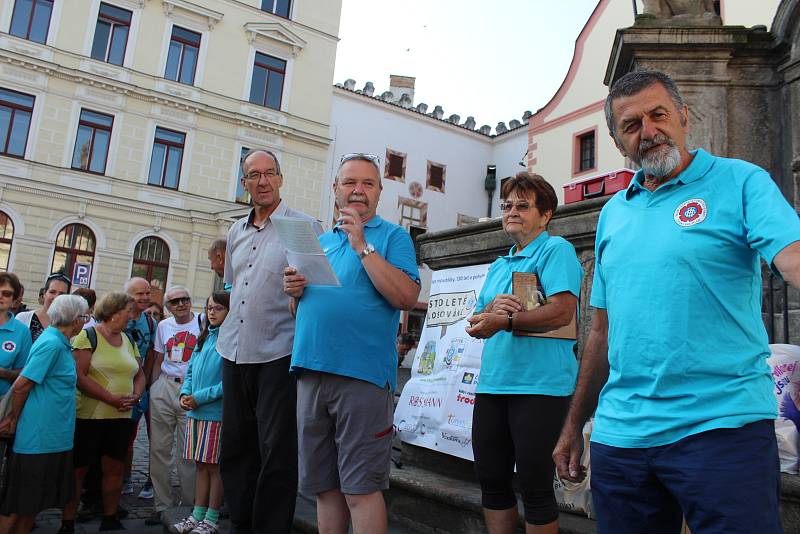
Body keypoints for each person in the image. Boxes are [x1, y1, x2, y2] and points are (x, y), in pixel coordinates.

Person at [552, 70, 800, 534]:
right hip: (621, 437)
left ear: (684, 116)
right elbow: (601, 332)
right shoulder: (613, 214)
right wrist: (574, 426)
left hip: (723, 428)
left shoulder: (741, 181)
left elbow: (792, 256)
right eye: (631, 125)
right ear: (617, 140)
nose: (648, 132)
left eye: (658, 114)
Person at [284, 153, 420, 534]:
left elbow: (407, 297)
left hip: (362, 377)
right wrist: (295, 293)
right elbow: (305, 311)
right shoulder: (320, 241)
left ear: (379, 192)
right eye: (350, 182)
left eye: (368, 183)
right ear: (335, 189)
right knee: (324, 489)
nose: (358, 190)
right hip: (311, 371)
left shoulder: (393, 237)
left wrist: (361, 244)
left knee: (360, 489)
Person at [465, 172, 582, 534]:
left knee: (535, 485)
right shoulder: (499, 265)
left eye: (522, 205)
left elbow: (563, 311)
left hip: (541, 387)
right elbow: (476, 322)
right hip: (493, 385)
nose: (512, 211)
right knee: (492, 481)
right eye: (507, 205)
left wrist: (508, 320)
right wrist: (489, 313)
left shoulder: (555, 250)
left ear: (545, 214)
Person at [217, 148, 321, 534]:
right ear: (244, 183)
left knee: (276, 451)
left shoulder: (303, 226)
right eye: (253, 175)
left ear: (280, 179)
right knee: (236, 447)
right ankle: (241, 521)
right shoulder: (235, 231)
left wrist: (302, 288)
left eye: (269, 174)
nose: (262, 181)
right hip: (233, 348)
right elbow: (232, 283)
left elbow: (321, 290)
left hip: (279, 350)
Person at [0, 295, 89, 534]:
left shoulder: (60, 342)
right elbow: (22, 385)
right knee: (19, 505)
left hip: (51, 437)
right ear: (76, 320)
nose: (85, 322)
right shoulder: (51, 343)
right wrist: (13, 419)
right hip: (37, 438)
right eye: (85, 317)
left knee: (31, 506)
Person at [61, 292, 145, 532]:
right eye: (127, 311)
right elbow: (79, 376)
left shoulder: (129, 340)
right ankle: (67, 522)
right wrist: (110, 398)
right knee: (79, 470)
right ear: (112, 312)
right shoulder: (88, 336)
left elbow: (139, 373)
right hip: (89, 416)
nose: (131, 316)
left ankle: (110, 517)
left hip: (120, 417)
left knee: (114, 468)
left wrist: (137, 394)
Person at [173, 292, 229, 534]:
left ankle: (212, 517)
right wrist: (185, 394)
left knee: (214, 467)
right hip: (196, 413)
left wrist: (200, 397)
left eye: (218, 308)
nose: (212, 312)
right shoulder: (203, 338)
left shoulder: (229, 340)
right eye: (209, 308)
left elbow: (228, 383)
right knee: (200, 464)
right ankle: (197, 513)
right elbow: (191, 371)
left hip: (215, 414)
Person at [146, 285, 200, 526]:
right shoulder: (163, 326)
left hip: (191, 389)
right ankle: (162, 505)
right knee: (159, 449)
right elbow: (158, 357)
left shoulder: (202, 322)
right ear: (167, 307)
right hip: (165, 386)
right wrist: (154, 387)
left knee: (188, 451)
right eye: (175, 301)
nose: (181, 304)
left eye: (184, 299)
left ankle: (190, 504)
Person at [123, 278, 158, 499]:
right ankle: (125, 478)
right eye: (139, 294)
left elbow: (152, 354)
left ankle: (152, 481)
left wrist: (147, 382)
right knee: (127, 438)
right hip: (122, 386)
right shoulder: (120, 319)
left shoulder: (151, 322)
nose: (145, 298)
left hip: (145, 385)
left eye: (147, 293)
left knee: (156, 437)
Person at [0, 273, 32, 397]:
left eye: (6, 294)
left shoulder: (22, 332)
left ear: (14, 299)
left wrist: (4, 373)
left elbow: (24, 373)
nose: (0, 296)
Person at [16, 273, 71, 342]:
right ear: (44, 293)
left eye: (62, 294)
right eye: (52, 292)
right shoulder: (24, 318)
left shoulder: (69, 325)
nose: (56, 297)